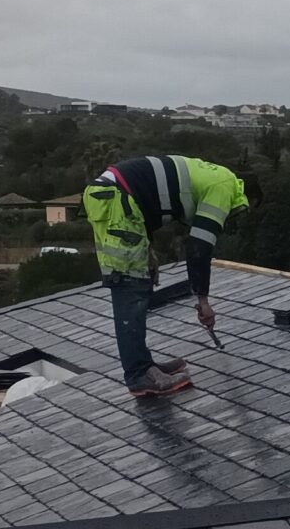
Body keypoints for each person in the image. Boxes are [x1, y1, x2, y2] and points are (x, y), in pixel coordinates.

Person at [82, 154, 254, 397]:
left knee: (138, 281)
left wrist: (147, 248)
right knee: (131, 286)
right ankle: (139, 374)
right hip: (115, 199)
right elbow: (199, 246)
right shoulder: (224, 188)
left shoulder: (215, 176)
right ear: (247, 197)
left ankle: (144, 364)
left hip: (118, 198)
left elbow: (149, 197)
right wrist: (203, 301)